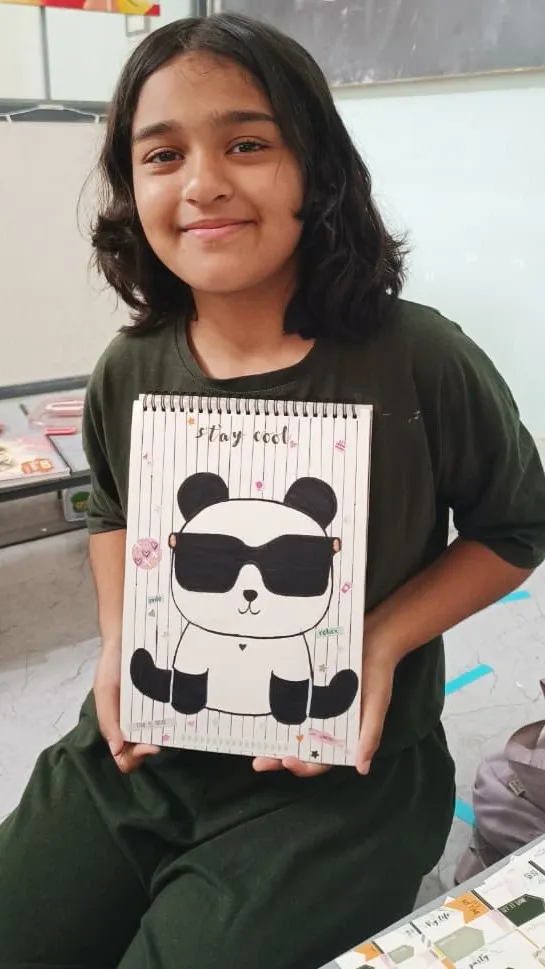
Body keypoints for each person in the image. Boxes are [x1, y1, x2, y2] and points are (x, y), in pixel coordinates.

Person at [1, 13, 545, 969]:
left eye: (246, 144)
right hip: (139, 753)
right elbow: (113, 510)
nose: (203, 181)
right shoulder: (128, 367)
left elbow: (515, 525)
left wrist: (377, 641)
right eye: (162, 155)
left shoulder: (419, 357)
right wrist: (121, 641)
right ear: (132, 189)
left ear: (316, 169)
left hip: (340, 777)